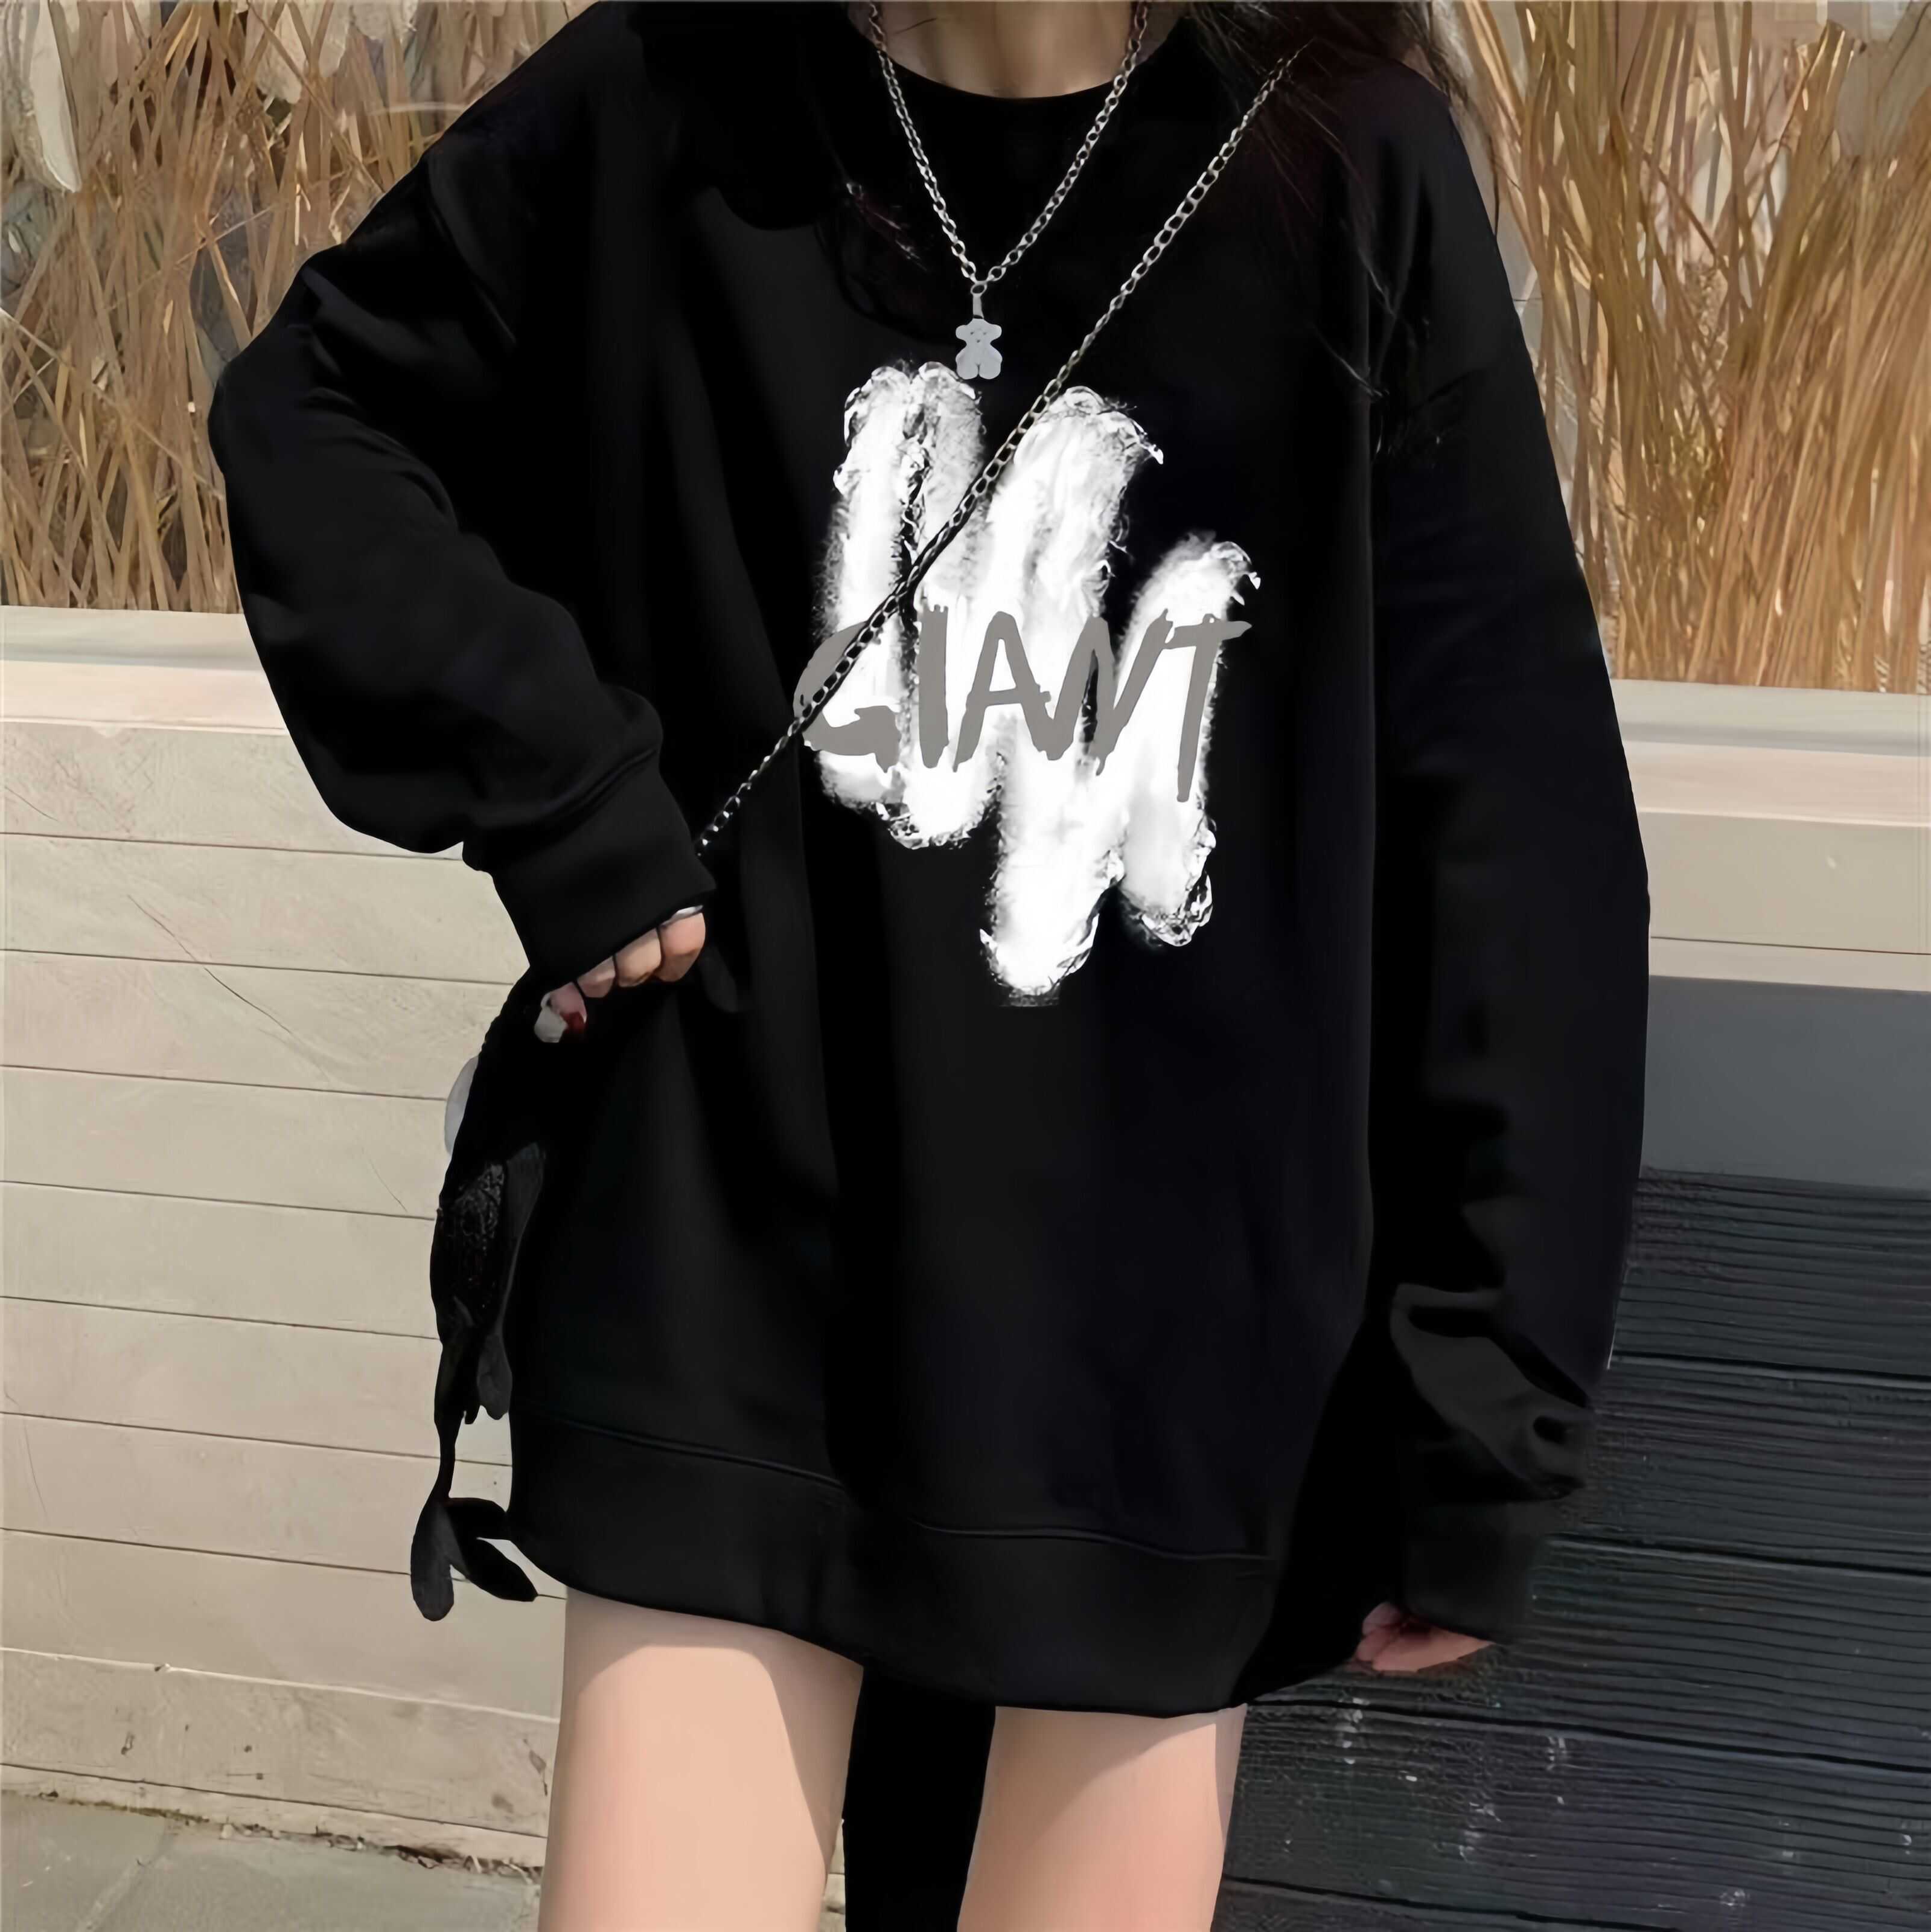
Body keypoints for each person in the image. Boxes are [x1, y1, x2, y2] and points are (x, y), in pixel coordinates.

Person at [206, 2, 1651, 1925]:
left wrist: (1489, 1405)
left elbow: (1512, 802)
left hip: (1160, 1340)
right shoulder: (676, 95)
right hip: (734, 1257)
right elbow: (315, 411)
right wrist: (561, 788)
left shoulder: (1338, 162)